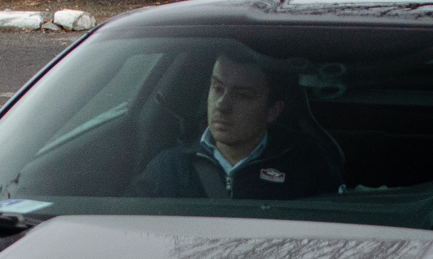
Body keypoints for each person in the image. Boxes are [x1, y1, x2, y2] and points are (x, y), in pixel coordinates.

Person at [127, 52, 341, 199]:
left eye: (242, 95)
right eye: (217, 88)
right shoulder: (169, 168)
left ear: (272, 111)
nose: (222, 105)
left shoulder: (307, 171)